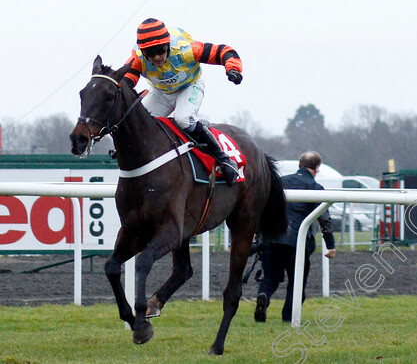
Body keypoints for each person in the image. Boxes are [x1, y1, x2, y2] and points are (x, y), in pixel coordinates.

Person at [124, 18, 242, 185]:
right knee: (136, 123)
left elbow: (224, 51)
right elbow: (125, 83)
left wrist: (232, 69)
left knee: (183, 119)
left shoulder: (186, 50)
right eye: (150, 53)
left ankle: (224, 159)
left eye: (160, 50)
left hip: (189, 86)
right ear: (143, 52)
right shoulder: (137, 59)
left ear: (167, 46)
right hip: (161, 92)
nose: (157, 57)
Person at [255, 151, 336, 323]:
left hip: (272, 238)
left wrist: (258, 236)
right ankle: (288, 317)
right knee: (296, 281)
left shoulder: (280, 183)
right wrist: (330, 245)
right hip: (296, 243)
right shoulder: (315, 188)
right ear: (317, 168)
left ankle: (263, 297)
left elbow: (262, 209)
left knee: (270, 277)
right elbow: (325, 219)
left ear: (300, 164)